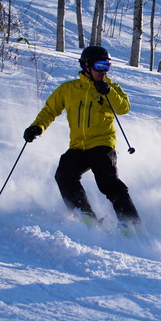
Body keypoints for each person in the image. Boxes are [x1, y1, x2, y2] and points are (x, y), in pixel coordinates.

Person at [23, 45, 141, 228]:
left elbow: (123, 108)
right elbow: (50, 110)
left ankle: (131, 223)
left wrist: (108, 91)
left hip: (102, 144)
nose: (104, 71)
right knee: (64, 174)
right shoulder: (68, 89)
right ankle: (85, 215)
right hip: (78, 147)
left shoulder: (111, 88)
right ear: (86, 66)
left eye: (107, 67)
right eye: (100, 66)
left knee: (108, 182)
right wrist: (36, 127)